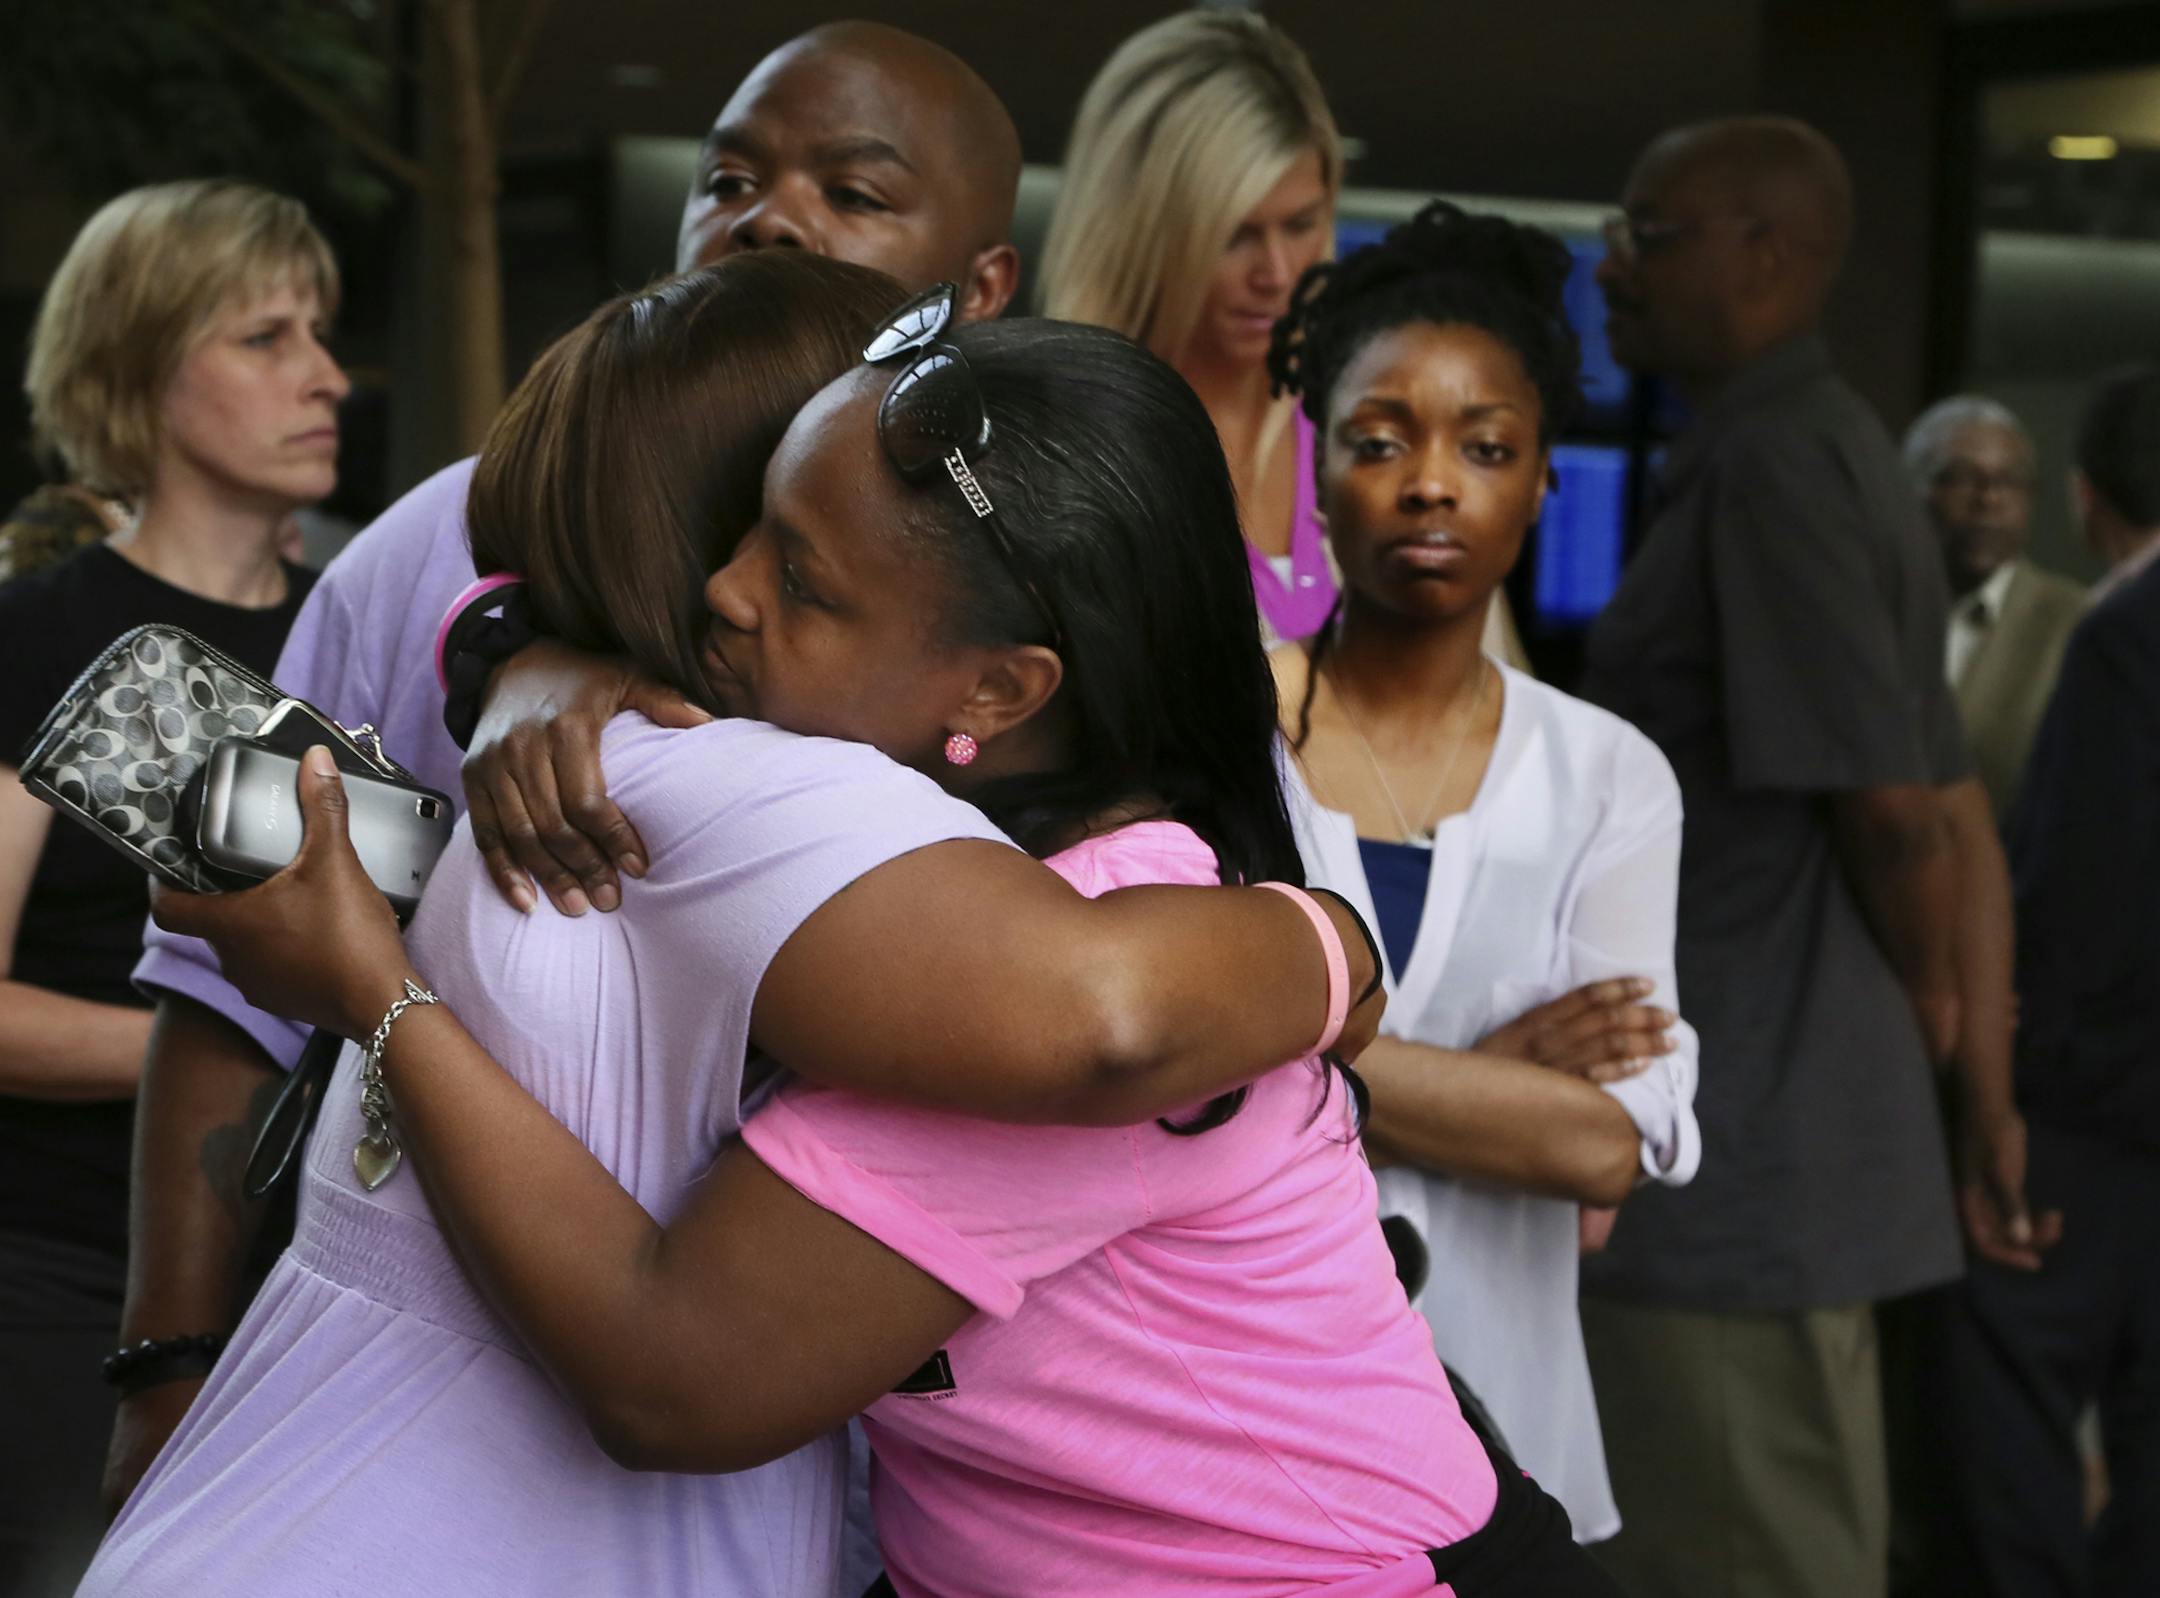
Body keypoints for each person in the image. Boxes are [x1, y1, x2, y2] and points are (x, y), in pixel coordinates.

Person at [148, 283, 1626, 1597]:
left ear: (997, 687)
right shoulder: (953, 877)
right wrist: (529, 657)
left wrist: (377, 993)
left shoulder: (1056, 976)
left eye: (800, 578)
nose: (726, 592)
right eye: (744, 530)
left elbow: (675, 1379)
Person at [102, 19, 1030, 1511]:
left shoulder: (1020, 592)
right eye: (727, 176)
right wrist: (166, 1363)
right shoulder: (446, 532)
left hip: (877, 1476)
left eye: (852, 195)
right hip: (402, 1423)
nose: (767, 216)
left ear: (979, 288)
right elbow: (220, 993)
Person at [1573, 117, 2033, 1598]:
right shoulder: (1798, 444)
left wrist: (1947, 1030)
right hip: (1773, 1136)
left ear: (1767, 255)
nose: (1612, 262)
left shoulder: (1780, 462)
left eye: (1649, 231)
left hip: (1750, 1149)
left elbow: (1908, 809)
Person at [1264, 200, 1700, 1541]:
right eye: (1379, 439)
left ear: (1543, 479)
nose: (1432, 481)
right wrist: (1490, 1078)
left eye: (1487, 445)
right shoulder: (1216, 734)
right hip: (1246, 1420)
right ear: (1318, 469)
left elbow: (1604, 1143)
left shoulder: (1608, 774)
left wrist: (1281, 1065)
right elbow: (1127, 1078)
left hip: (1510, 1442)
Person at [0, 179, 344, 1598]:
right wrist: (230, 1042)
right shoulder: (47, 633)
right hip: (70, 1273)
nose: (325, 372)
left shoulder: (365, 618)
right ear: (138, 370)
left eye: (321, 330)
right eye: (266, 335)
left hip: (325, 1288)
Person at [1037, 9, 1528, 664]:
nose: (1276, 273)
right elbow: (972, 742)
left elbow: (1490, 707)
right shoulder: (1057, 450)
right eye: (1235, 233)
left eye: (1300, 224)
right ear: (1142, 229)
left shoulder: (1372, 420)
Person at [1938, 362, 2160, 1598]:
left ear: (2080, 498)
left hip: (2101, 1113)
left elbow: (2089, 898)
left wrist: (2003, 1112)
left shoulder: (2124, 634)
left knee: (2007, 1401)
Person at [1904, 395, 2084, 825]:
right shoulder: (1868, 611)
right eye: (1963, 478)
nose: (1989, 499)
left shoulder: (2074, 623)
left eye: (2011, 480)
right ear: (1909, 489)